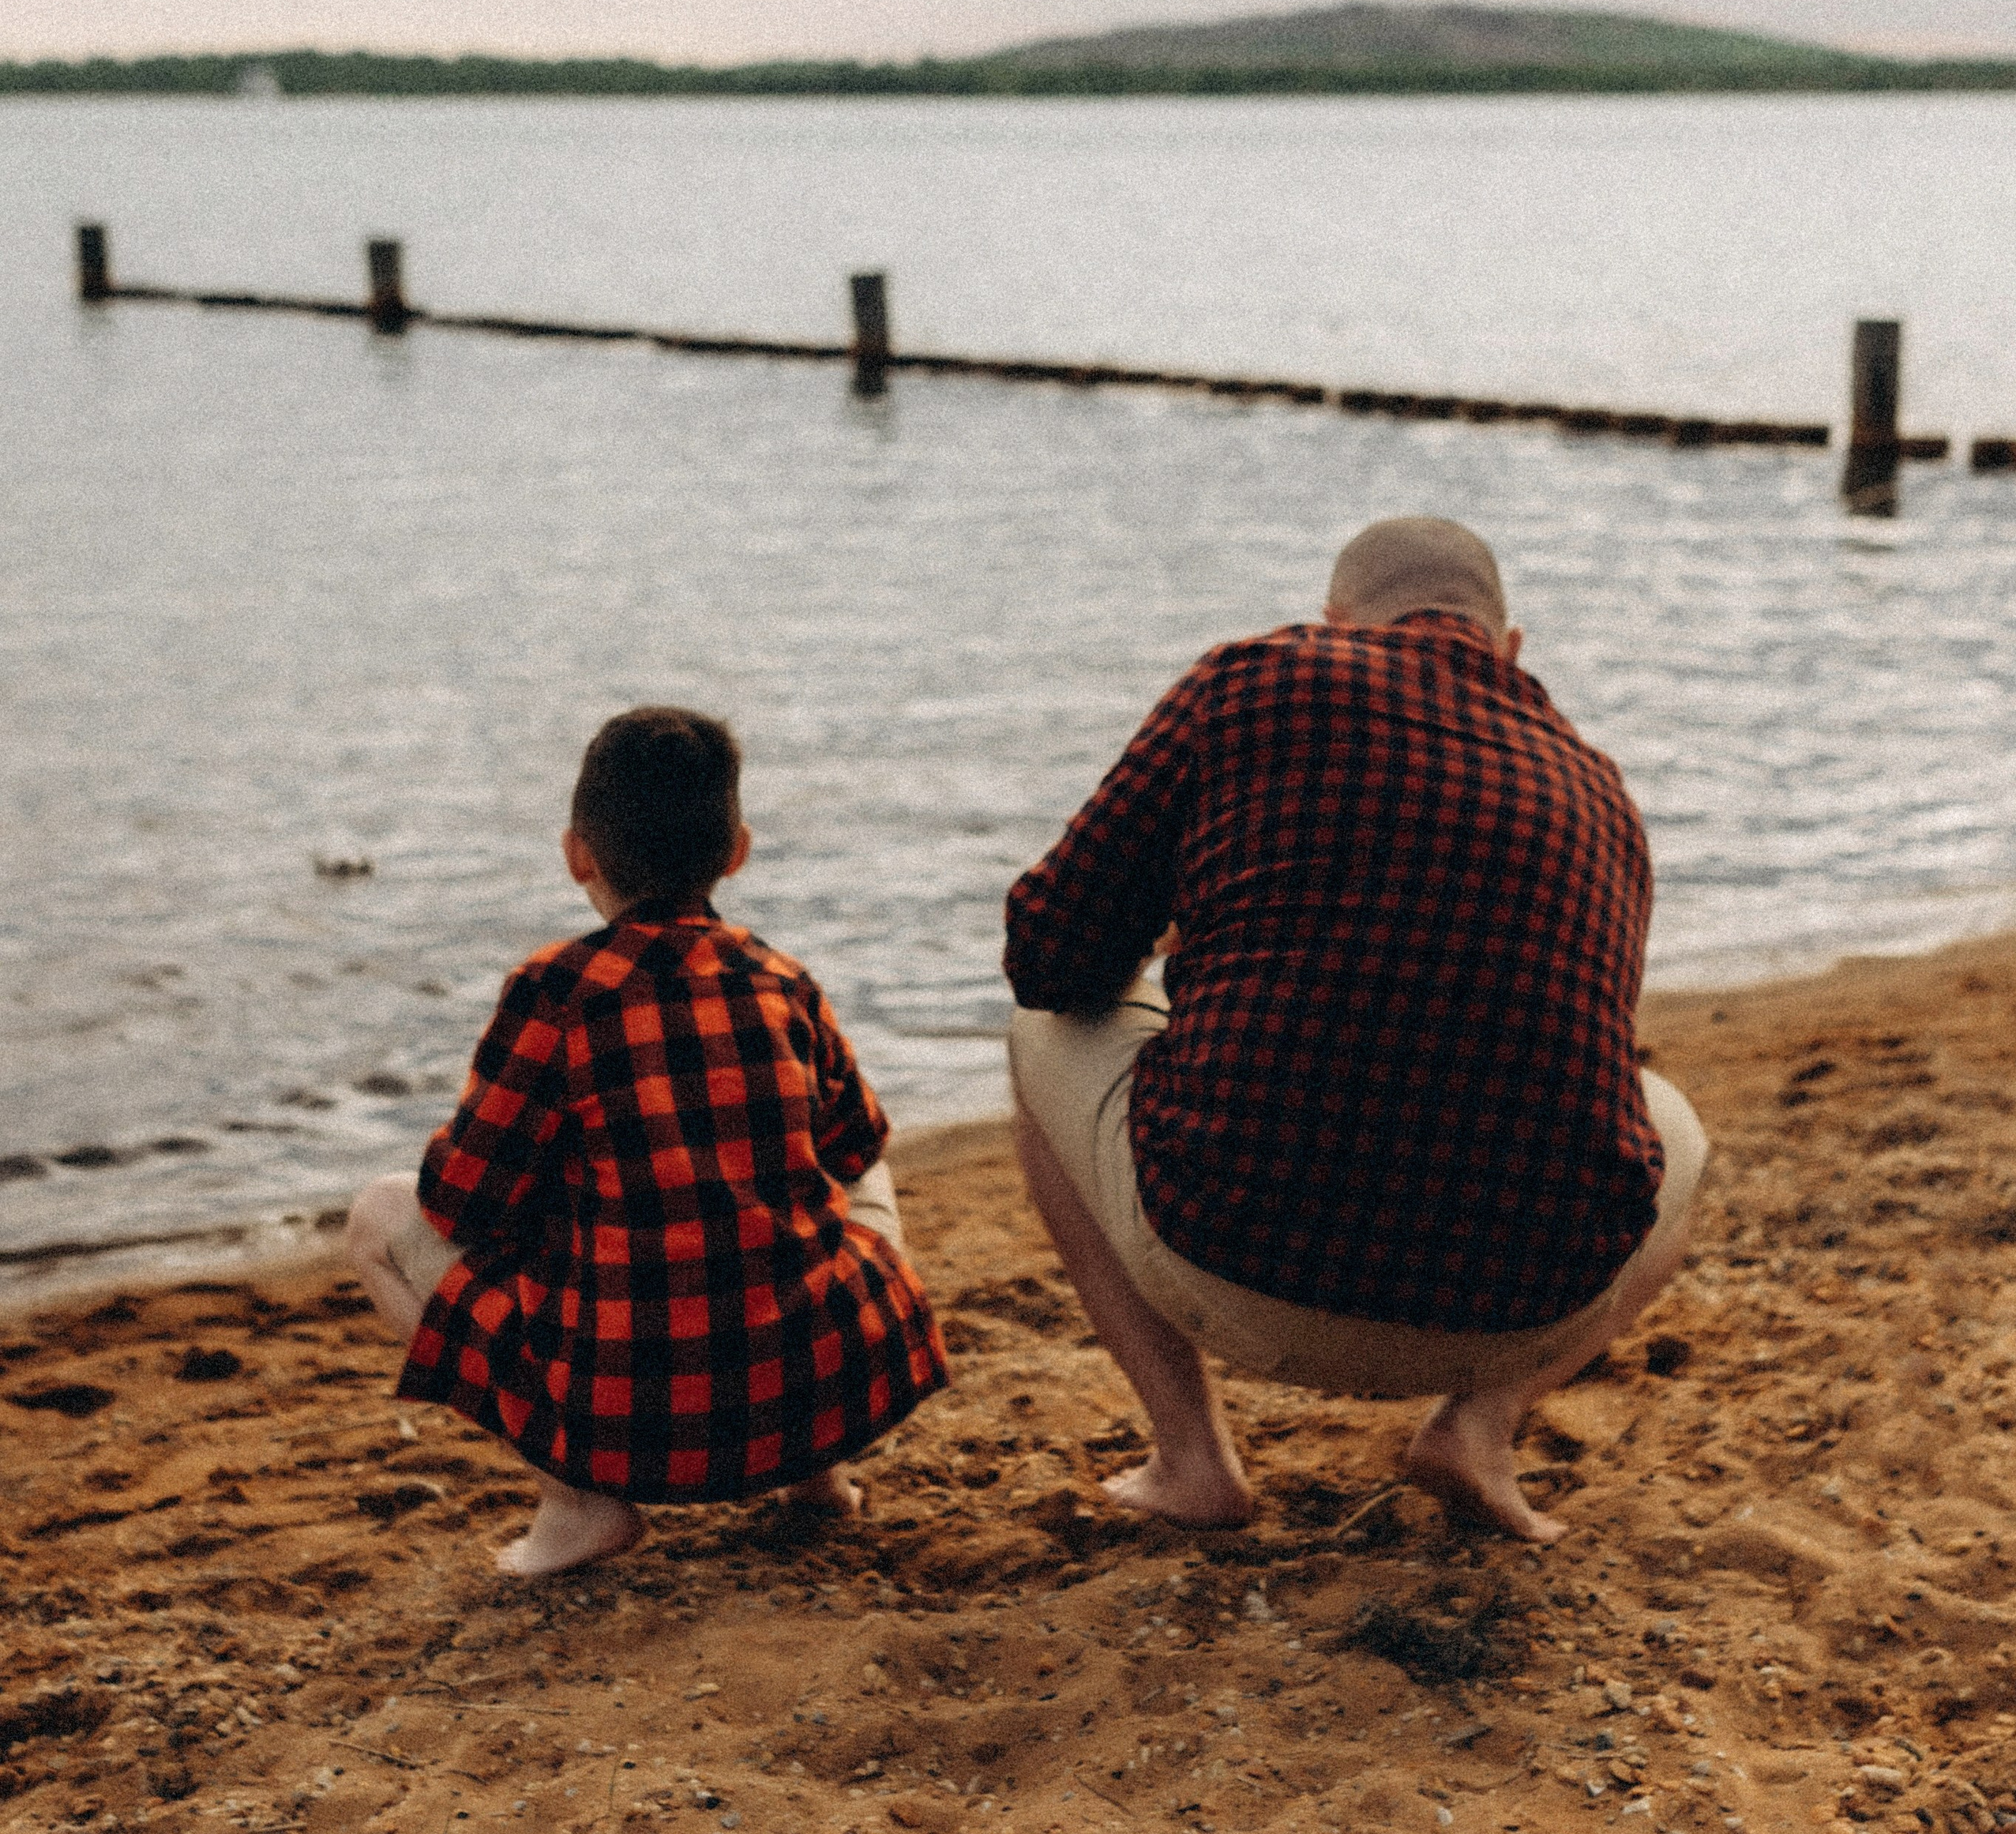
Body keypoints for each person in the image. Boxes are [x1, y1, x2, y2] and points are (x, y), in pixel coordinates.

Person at [1003, 517, 1705, 1545]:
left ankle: (1192, 1459)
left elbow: (1048, 955)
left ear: (1339, 621)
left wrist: (1186, 931)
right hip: (1523, 1305)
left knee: (1038, 1030)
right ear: (1509, 645)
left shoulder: (1251, 680)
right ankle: (1480, 1425)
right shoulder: (1601, 790)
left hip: (1232, 1264)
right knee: (1675, 1123)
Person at [346, 705, 947, 1577]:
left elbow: (462, 1201)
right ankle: (817, 1477)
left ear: (577, 855)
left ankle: (576, 1501)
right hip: (821, 1387)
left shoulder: (555, 992)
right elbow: (856, 1145)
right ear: (737, 851)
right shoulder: (783, 981)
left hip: (630, 1421)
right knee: (846, 1169)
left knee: (377, 1216)